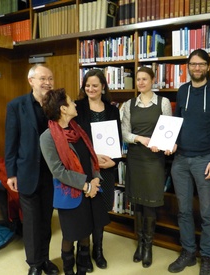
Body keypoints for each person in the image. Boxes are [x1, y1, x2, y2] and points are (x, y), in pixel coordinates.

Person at [168, 49, 210, 275]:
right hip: (181, 159)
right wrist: (171, 141)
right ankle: (188, 252)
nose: (197, 68)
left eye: (201, 64)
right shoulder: (182, 91)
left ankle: (207, 257)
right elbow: (176, 122)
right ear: (188, 66)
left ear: (208, 66)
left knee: (206, 212)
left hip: (205, 160)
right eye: (193, 64)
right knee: (183, 210)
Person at [40, 88, 110, 275]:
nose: (75, 104)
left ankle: (83, 268)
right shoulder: (47, 138)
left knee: (86, 231)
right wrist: (85, 185)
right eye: (71, 102)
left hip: (91, 189)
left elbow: (90, 156)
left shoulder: (77, 128)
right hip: (72, 192)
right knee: (71, 235)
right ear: (63, 109)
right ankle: (69, 269)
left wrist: (95, 180)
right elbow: (58, 171)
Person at [4, 64, 59, 275]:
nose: (47, 82)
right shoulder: (16, 106)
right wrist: (11, 173)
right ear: (31, 81)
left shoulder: (55, 105)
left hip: (51, 173)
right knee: (32, 222)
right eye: (43, 78)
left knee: (46, 220)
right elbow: (11, 141)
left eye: (50, 78)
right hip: (27, 172)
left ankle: (45, 259)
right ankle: (34, 264)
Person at [121, 66, 173, 268]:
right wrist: (140, 139)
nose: (141, 82)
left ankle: (149, 245)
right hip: (136, 157)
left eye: (145, 79)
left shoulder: (163, 102)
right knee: (138, 203)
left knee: (150, 203)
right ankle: (140, 243)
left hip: (154, 159)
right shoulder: (128, 104)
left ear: (153, 80)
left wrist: (167, 145)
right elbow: (125, 133)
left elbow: (168, 130)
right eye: (138, 79)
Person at [74, 69, 122, 271]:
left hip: (106, 169)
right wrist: (90, 160)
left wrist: (115, 161)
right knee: (84, 211)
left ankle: (98, 250)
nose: (91, 89)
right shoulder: (77, 107)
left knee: (101, 210)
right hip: (85, 168)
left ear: (103, 86)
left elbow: (117, 140)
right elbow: (74, 139)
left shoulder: (113, 110)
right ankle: (82, 253)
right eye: (87, 85)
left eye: (95, 85)